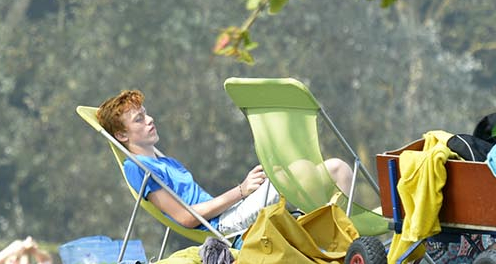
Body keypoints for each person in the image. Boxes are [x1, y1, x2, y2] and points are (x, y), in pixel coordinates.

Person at [96, 89, 355, 236]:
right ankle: (337, 239)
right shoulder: (137, 167)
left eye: (146, 114)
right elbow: (186, 218)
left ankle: (350, 238)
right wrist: (241, 190)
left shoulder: (166, 162)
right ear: (121, 135)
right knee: (294, 172)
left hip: (231, 212)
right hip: (222, 225)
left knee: (336, 167)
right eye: (139, 119)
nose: (150, 119)